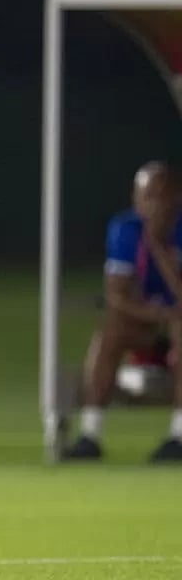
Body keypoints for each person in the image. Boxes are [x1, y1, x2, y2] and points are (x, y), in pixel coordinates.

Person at [65, 161, 182, 463]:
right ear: (136, 199)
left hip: (177, 326)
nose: (154, 205)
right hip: (150, 325)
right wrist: (155, 316)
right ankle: (90, 436)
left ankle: (177, 437)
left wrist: (157, 245)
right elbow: (116, 296)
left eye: (161, 196)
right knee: (109, 333)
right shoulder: (124, 229)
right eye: (147, 196)